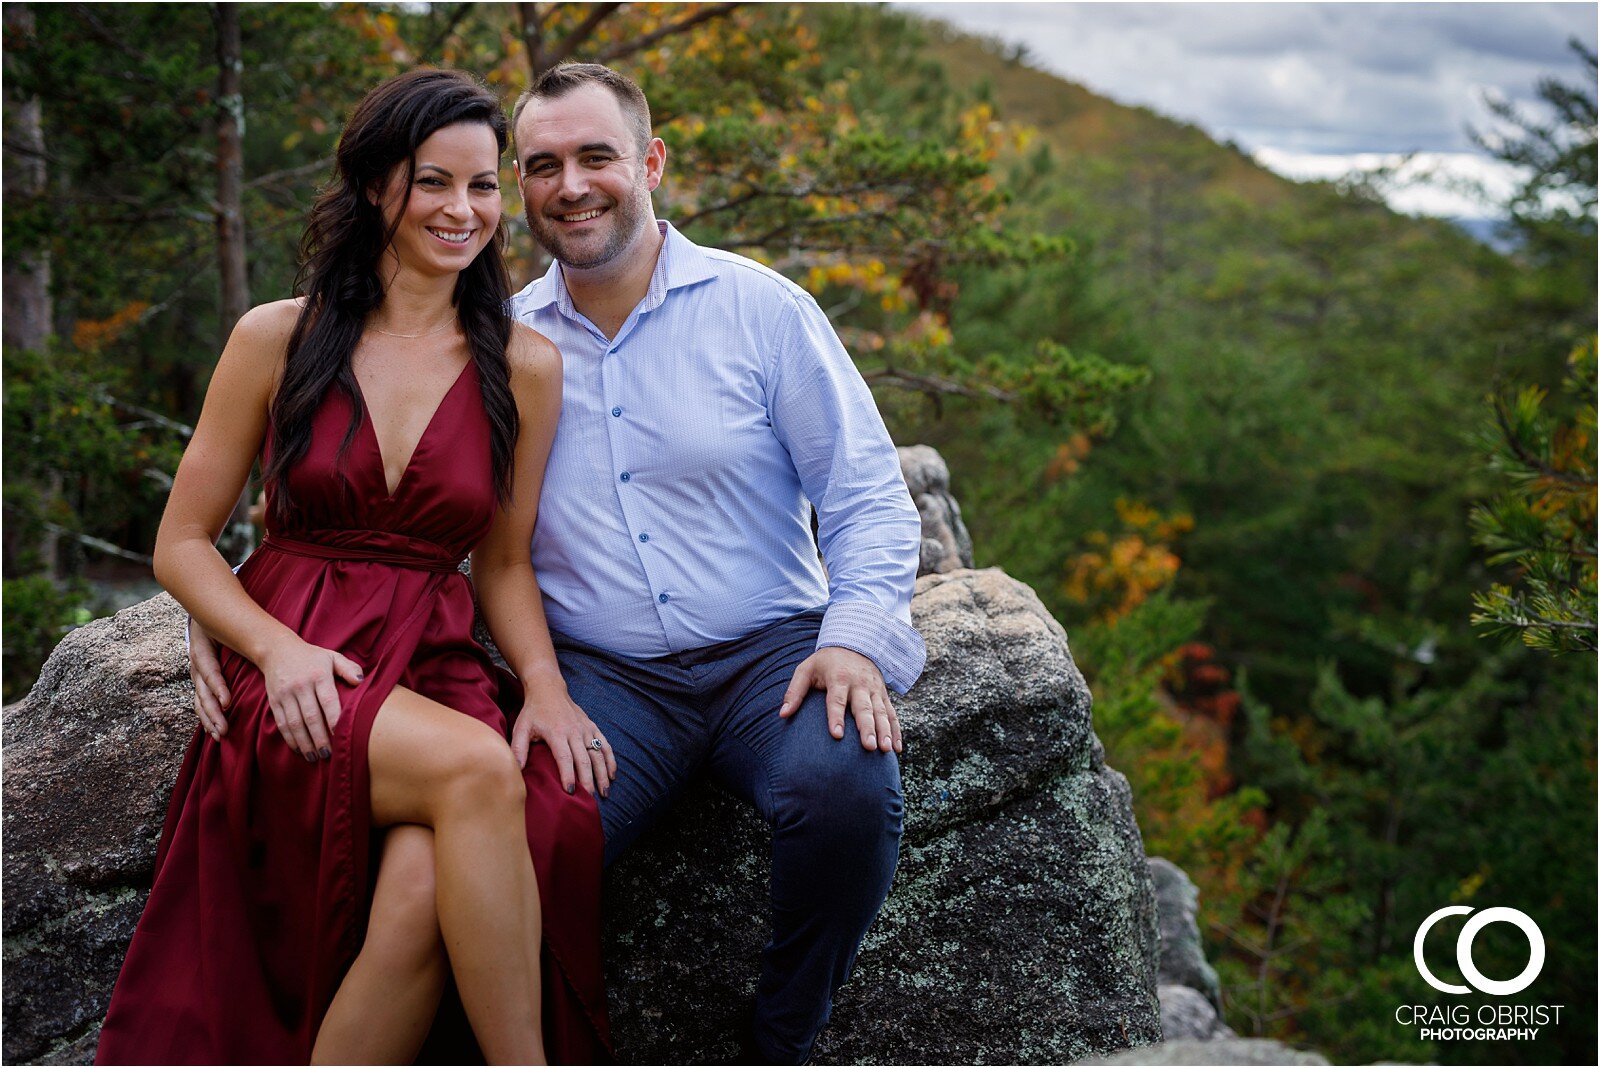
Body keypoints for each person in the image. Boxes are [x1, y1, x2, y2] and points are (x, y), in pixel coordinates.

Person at [191, 61, 925, 1065]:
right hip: (606, 681)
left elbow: (867, 496)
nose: (569, 184)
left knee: (846, 791)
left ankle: (782, 1038)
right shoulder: (504, 340)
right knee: (511, 849)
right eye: (541, 165)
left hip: (768, 657)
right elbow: (352, 524)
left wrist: (852, 643)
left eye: (595, 157)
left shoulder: (759, 311)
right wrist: (226, 621)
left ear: (651, 162)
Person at [96, 69, 610, 1065]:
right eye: (434, 183)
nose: (464, 212)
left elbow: (501, 563)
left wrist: (544, 689)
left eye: (482, 186)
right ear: (379, 186)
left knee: (423, 892)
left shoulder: (527, 366)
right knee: (473, 774)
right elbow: (181, 541)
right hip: (302, 656)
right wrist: (270, 649)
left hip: (433, 657)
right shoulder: (275, 339)